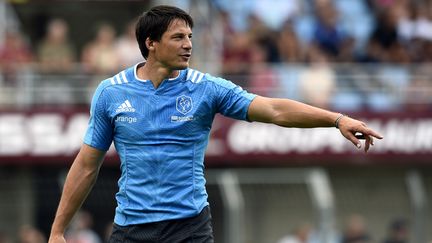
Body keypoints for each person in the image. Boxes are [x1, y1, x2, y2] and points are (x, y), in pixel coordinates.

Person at [48, 5, 383, 243]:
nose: (188, 44)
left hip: (190, 227)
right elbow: (87, 165)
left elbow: (274, 110)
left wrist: (335, 119)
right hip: (133, 228)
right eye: (178, 37)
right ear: (151, 43)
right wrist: (58, 231)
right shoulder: (110, 92)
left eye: (190, 36)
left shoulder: (206, 88)